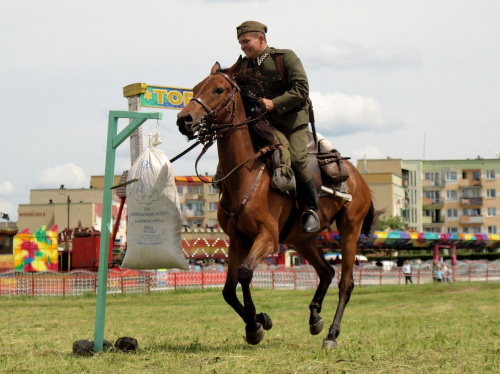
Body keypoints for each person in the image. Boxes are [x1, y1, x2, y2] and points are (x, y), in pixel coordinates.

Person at [235, 21, 319, 233]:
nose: (242, 46)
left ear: (261, 39)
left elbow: (302, 89)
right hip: (263, 124)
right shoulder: (243, 66)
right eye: (240, 43)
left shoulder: (284, 57)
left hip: (292, 122)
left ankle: (311, 209)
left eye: (246, 41)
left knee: (298, 159)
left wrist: (275, 103)